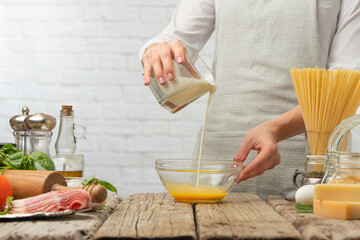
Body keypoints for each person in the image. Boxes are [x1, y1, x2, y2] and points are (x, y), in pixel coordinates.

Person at [139, 0, 360, 199]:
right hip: (218, 160)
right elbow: (174, 37)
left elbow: (343, 85)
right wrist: (156, 51)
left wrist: (275, 130)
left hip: (309, 167)